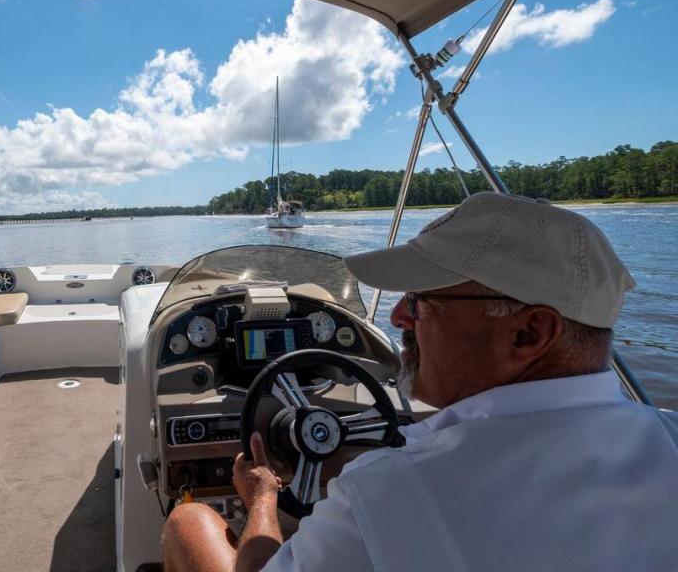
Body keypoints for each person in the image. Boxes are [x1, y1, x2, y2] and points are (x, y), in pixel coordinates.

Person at [163, 192, 678, 572]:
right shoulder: (669, 436)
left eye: (425, 301)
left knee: (191, 524)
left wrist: (261, 500)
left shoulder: (391, 491)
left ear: (529, 332)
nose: (401, 316)